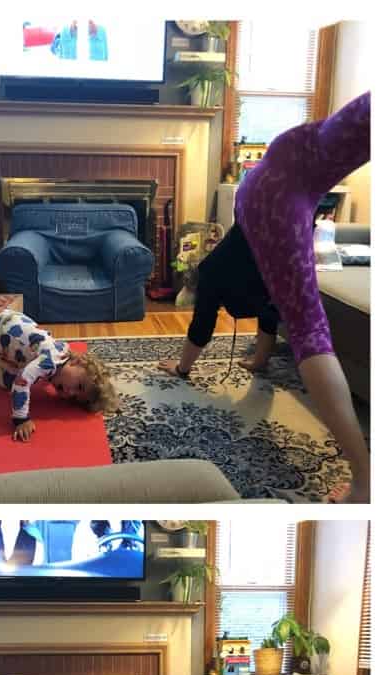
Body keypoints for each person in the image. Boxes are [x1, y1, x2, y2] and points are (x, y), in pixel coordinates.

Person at [159, 91, 371, 503]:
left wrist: (185, 368)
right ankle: (365, 475)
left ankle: (365, 478)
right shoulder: (228, 268)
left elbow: (208, 318)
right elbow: (257, 311)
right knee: (291, 311)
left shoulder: (216, 272)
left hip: (277, 195)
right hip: (281, 196)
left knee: (305, 324)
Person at [0, 300, 118, 442]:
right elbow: (24, 380)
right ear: (77, 362)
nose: (69, 392)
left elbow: (21, 378)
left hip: (10, 352)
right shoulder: (49, 361)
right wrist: (21, 419)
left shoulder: (59, 365)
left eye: (73, 397)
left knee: (7, 384)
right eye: (79, 386)